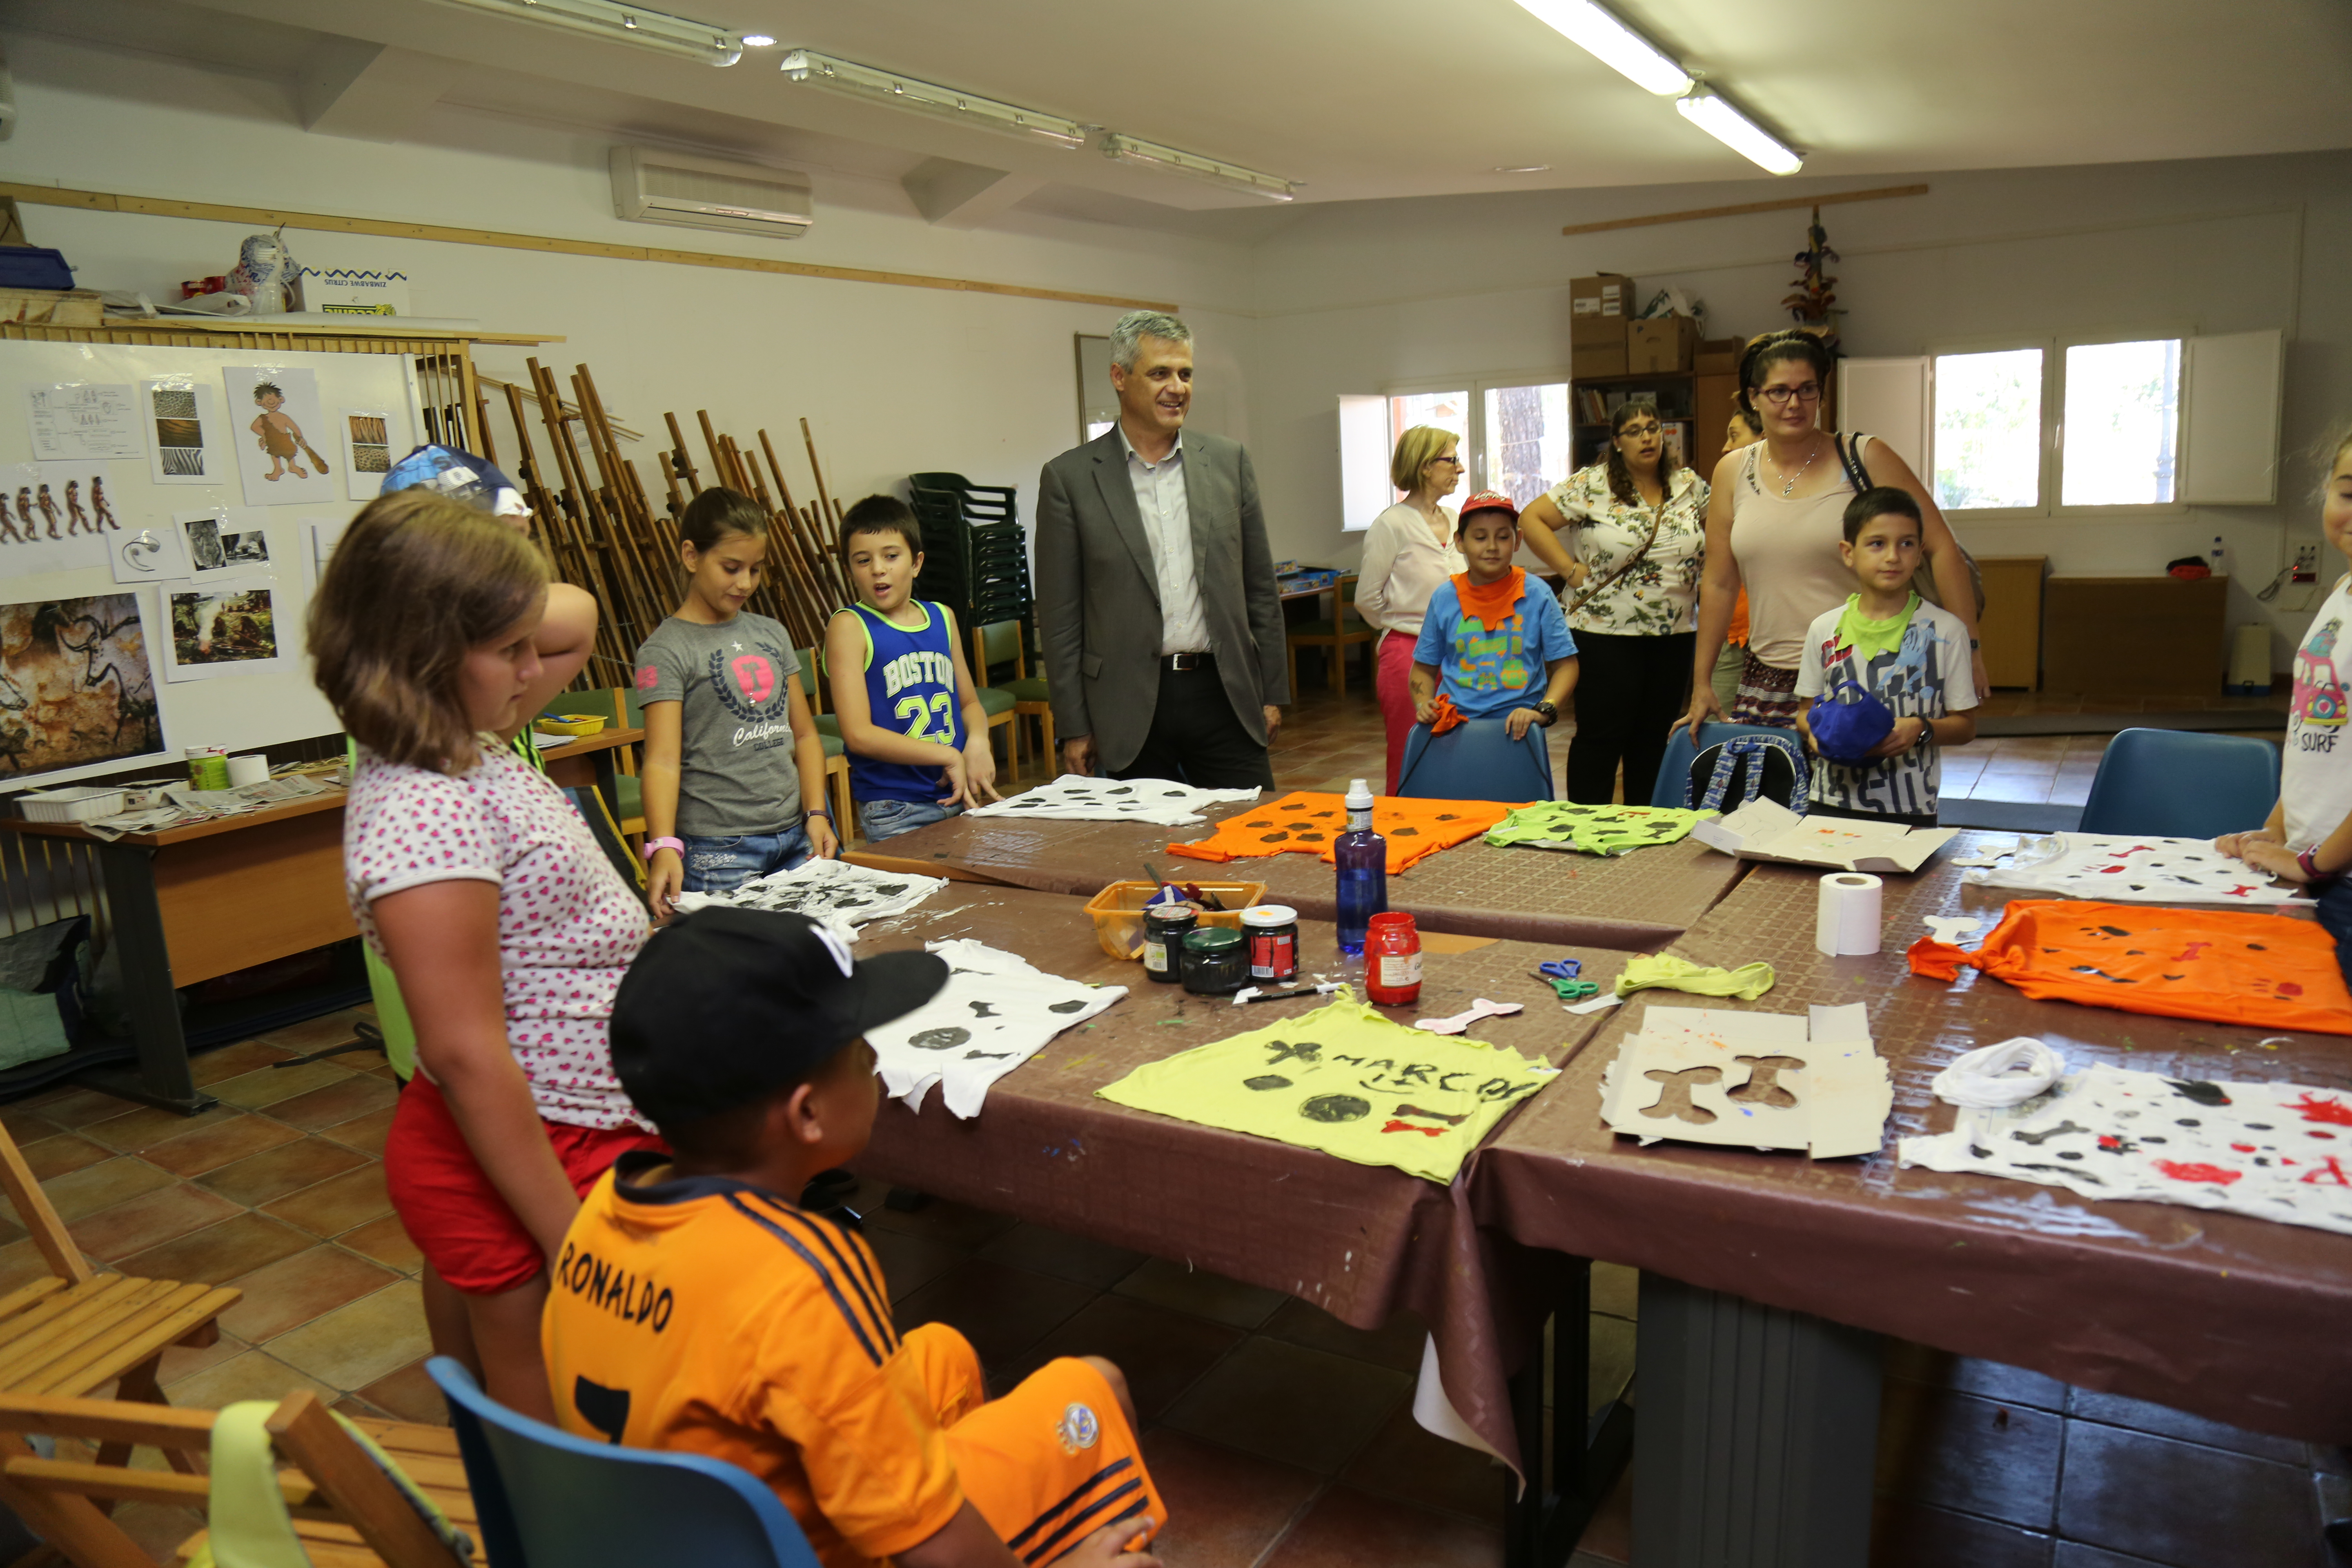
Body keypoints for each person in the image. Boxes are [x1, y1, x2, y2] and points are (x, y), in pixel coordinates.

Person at [542, 904, 1166, 1568]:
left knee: (942, 1353)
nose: (876, 1061)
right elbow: (936, 1548)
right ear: (807, 1113)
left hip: (676, 1534)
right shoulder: (800, 1273)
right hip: (802, 1553)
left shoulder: (611, 1201)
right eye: (863, 1050)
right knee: (1094, 1384)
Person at [312, 492, 659, 1423]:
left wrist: (485, 565)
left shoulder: (471, 738)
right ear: (425, 651)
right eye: (508, 647)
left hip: (569, 1116)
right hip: (533, 1138)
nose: (533, 664)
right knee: (550, 1383)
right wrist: (571, 1238)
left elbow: (572, 624)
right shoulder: (423, 802)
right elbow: (465, 1052)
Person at [1679, 330, 1985, 734]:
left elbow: (1941, 546)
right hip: (1767, 677)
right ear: (1753, 397)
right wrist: (1702, 683)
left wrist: (1971, 650)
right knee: (1767, 796)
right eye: (1779, 392)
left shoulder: (1864, 456)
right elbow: (1718, 581)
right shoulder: (1732, 471)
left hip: (1862, 668)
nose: (1794, 404)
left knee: (1856, 795)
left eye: (1807, 390)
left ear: (1821, 395)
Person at [1036, 310, 1287, 789]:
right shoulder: (1069, 480)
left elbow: (1260, 587)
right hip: (1127, 705)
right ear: (1119, 377)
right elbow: (1061, 617)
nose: (1177, 387)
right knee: (1146, 856)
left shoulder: (1228, 463)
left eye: (1185, 374)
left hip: (1224, 695)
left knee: (1252, 843)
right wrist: (1074, 725)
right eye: (1160, 373)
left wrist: (1272, 691)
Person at [639, 487, 837, 917]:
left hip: (798, 833)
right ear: (691, 556)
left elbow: (803, 735)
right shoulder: (665, 650)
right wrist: (664, 846)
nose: (745, 583)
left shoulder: (772, 633)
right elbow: (662, 760)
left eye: (755, 569)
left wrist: (817, 812)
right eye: (731, 568)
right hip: (721, 851)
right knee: (743, 971)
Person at [2217, 424, 2352, 986]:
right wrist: (2278, 829)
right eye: (2349, 492)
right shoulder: (2342, 593)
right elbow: (2313, 735)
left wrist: (2311, 863)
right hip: (2319, 870)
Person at [1520, 399, 1708, 804]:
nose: (1647, 437)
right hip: (1604, 632)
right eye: (1635, 431)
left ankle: (1646, 829)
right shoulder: (1592, 483)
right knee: (1602, 738)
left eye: (1654, 428)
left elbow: (1722, 528)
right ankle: (1588, 828)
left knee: (1654, 739)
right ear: (1618, 442)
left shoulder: (1689, 484)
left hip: (1674, 633)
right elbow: (1530, 519)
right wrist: (1570, 570)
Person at [1793, 488, 1978, 824]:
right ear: (1848, 553)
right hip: (1829, 802)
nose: (1893, 556)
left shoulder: (1948, 631)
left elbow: (1965, 727)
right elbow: (1805, 713)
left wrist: (1921, 729)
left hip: (1910, 809)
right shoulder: (1823, 630)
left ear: (1920, 553)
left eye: (1906, 544)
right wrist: (1817, 735)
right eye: (1877, 544)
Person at [825, 494, 1000, 843]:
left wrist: (978, 741)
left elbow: (968, 704)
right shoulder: (849, 626)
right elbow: (858, 734)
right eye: (863, 560)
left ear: (916, 563)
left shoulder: (943, 618)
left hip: (960, 792)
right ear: (849, 570)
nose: (878, 568)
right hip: (896, 808)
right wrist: (947, 754)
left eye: (891, 556)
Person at [1410, 491, 1579, 744]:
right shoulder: (1444, 598)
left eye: (1503, 537)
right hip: (1456, 728)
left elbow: (1567, 666)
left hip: (1519, 729)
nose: (1492, 547)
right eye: (1480, 537)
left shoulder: (1538, 595)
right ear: (1460, 542)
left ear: (1518, 540)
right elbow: (1422, 669)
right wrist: (1424, 703)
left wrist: (1544, 710)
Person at [1354, 425, 1467, 793]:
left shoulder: (1453, 518)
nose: (1460, 469)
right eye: (1452, 460)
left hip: (1459, 652)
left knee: (1458, 749)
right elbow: (1367, 599)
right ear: (1424, 467)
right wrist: (1402, 625)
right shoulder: (1392, 524)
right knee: (1410, 751)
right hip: (1408, 651)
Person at [1712, 406, 1765, 715]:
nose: (1726, 447)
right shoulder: (1728, 490)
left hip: (1779, 636)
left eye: (1735, 436)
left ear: (1763, 437)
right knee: (1717, 727)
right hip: (1732, 633)